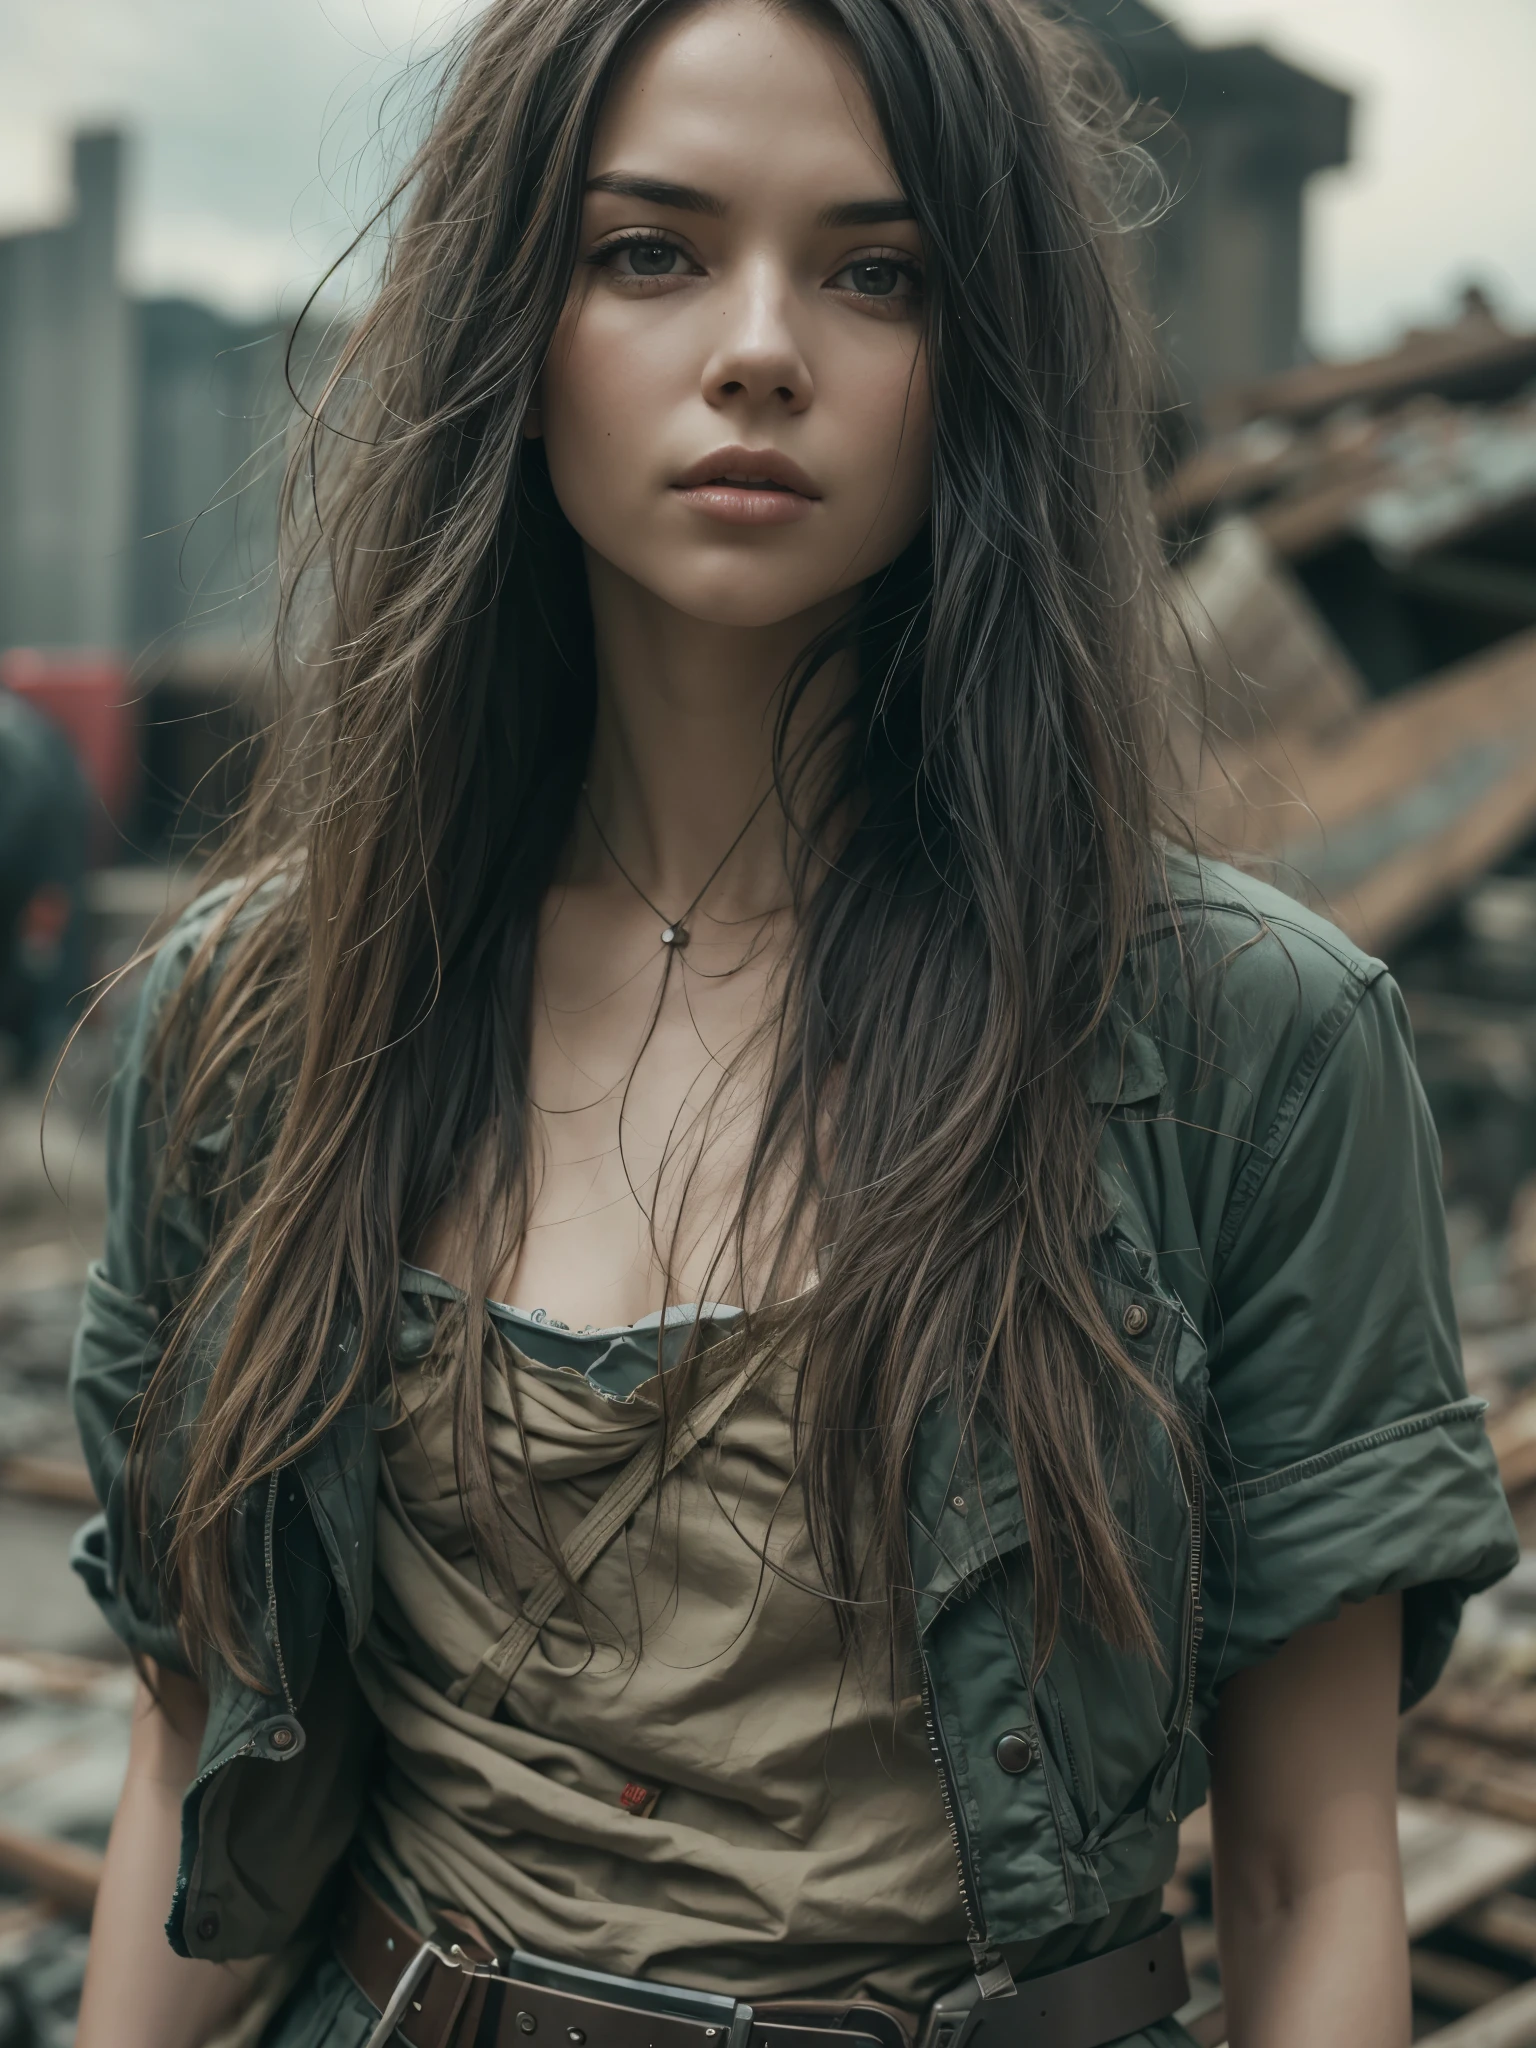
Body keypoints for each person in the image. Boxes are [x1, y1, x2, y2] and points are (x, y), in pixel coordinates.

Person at [67, 0, 1517, 2042]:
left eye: (878, 272)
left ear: (981, 359)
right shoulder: (260, 1023)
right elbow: (192, 1771)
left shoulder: (1244, 1042)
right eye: (649, 250)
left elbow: (1311, 1870)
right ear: (513, 319)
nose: (761, 347)